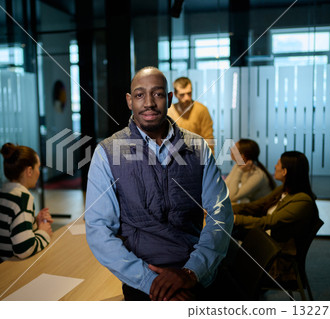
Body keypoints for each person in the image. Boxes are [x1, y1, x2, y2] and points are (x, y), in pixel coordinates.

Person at [85, 66, 233, 301]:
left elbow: (221, 215)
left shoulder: (198, 147)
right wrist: (150, 282)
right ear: (129, 101)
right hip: (143, 281)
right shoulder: (107, 153)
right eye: (139, 94)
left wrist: (191, 272)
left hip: (196, 275)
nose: (149, 103)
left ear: (169, 99)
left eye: (157, 94)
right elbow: (98, 229)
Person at [232, 151, 319, 280]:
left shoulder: (302, 200)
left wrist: (234, 218)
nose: (274, 166)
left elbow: (269, 221)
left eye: (278, 164)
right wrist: (226, 209)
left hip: (276, 253)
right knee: (225, 236)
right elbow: (257, 205)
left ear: (285, 171)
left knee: (225, 246)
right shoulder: (285, 189)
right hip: (267, 240)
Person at [0, 143, 53, 260]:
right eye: (38, 167)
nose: (39, 172)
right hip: (11, 269)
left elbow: (9, 228)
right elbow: (24, 250)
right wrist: (43, 232)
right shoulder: (23, 199)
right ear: (29, 171)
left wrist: (34, 221)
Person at [167, 77, 215, 154]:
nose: (186, 98)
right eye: (182, 95)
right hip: (174, 157)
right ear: (175, 94)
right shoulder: (169, 112)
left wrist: (209, 161)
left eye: (189, 93)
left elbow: (208, 139)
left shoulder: (201, 110)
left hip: (197, 156)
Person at [225, 138, 276, 203]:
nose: (231, 149)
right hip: (248, 207)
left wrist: (239, 171)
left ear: (242, 156)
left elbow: (232, 197)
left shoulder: (257, 174)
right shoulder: (237, 166)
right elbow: (225, 187)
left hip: (261, 211)